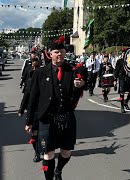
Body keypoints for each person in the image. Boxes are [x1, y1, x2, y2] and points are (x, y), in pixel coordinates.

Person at [25, 36, 86, 180]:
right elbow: (33, 98)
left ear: (65, 53)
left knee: (66, 152)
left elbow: (78, 91)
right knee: (48, 153)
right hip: (47, 118)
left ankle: (59, 170)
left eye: (61, 52)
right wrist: (29, 121)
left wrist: (80, 86)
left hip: (67, 116)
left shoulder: (72, 71)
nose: (59, 54)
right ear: (50, 54)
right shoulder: (40, 73)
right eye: (56, 52)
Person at [18, 57, 41, 163]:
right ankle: (37, 153)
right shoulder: (30, 83)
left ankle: (43, 149)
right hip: (33, 112)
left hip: (44, 111)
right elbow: (26, 97)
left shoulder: (45, 83)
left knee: (45, 133)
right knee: (34, 134)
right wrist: (21, 110)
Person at [113, 49, 130, 113]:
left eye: (125, 54)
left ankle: (126, 102)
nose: (123, 54)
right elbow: (116, 70)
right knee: (122, 92)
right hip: (122, 78)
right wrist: (115, 80)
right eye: (123, 53)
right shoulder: (119, 61)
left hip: (129, 78)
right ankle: (122, 107)